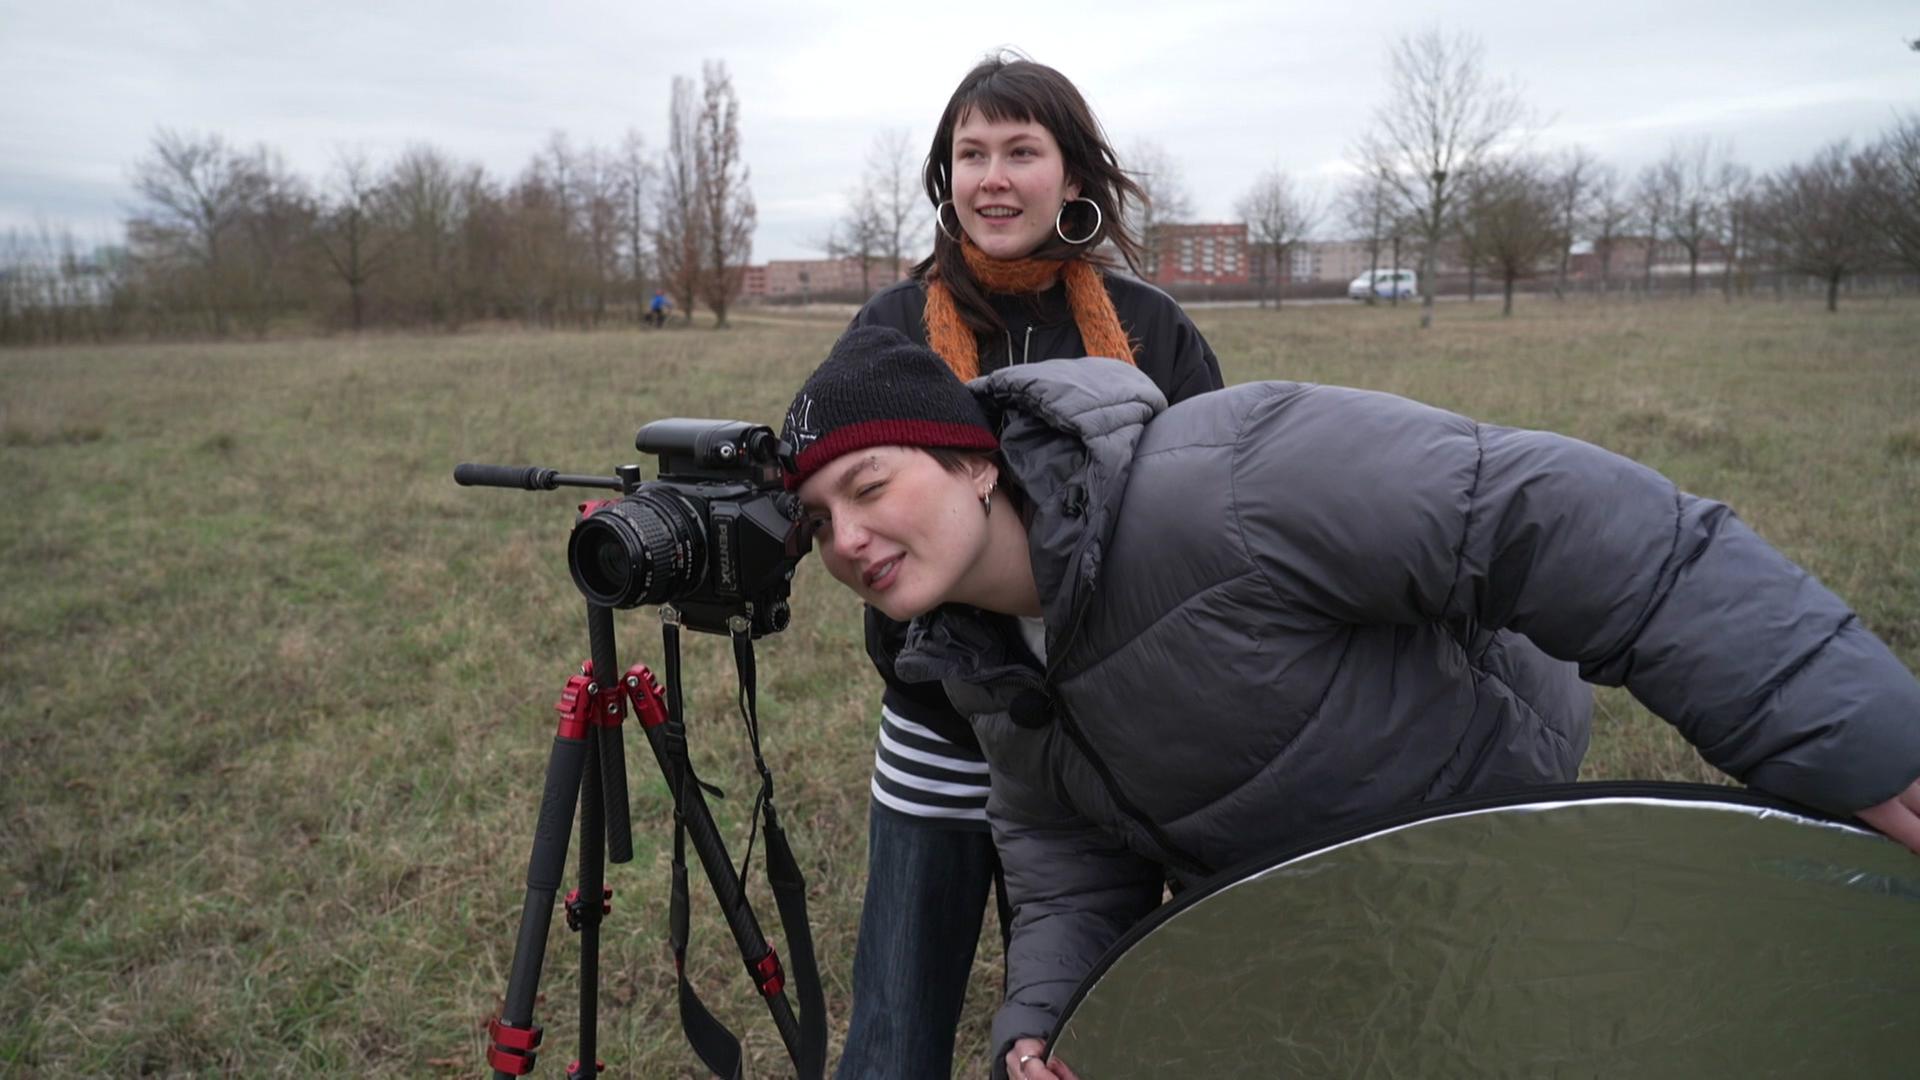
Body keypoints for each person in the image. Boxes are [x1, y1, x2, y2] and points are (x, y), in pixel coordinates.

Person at [781, 326, 1920, 1080]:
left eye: (870, 486)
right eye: (819, 520)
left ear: (974, 461)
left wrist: (1855, 736)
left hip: (1494, 865)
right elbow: (1065, 850)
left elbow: (1562, 522)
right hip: (1315, 926)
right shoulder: (971, 656)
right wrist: (1049, 1021)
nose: (850, 541)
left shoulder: (1230, 482)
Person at [831, 53, 1224, 1080]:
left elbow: (1205, 525)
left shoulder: (1151, 333)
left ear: (1075, 177)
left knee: (1085, 1026)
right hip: (940, 721)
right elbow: (836, 498)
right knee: (895, 1021)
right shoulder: (887, 330)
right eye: (970, 153)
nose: (992, 177)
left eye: (1021, 150)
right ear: (943, 175)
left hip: (1106, 737)